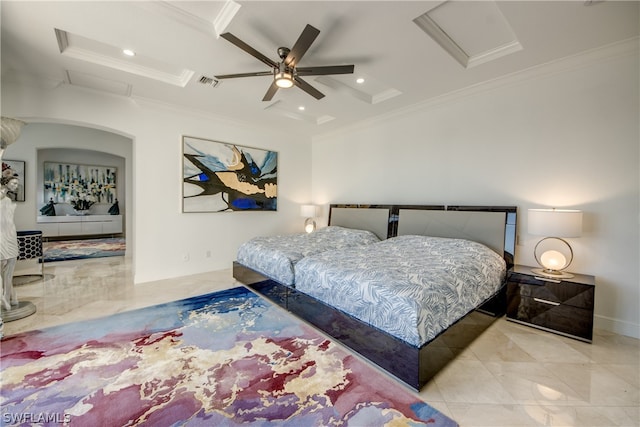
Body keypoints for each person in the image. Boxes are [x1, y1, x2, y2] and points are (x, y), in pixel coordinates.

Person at [1, 174, 19, 311]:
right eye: (13, 183)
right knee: (3, 264)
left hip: (10, 232)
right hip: (2, 233)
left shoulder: (8, 199)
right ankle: (6, 297)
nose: (15, 186)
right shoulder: (2, 198)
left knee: (11, 264)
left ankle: (10, 296)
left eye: (16, 184)